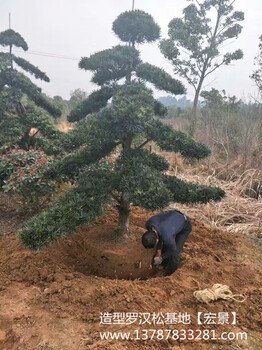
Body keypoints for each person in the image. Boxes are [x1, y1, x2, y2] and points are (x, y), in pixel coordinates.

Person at [142, 209, 192, 276]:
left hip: (184, 225)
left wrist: (161, 257)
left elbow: (173, 249)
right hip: (172, 219)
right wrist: (158, 253)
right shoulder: (148, 224)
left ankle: (169, 275)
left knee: (175, 254)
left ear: (156, 240)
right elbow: (159, 235)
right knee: (167, 242)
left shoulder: (167, 236)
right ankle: (163, 264)